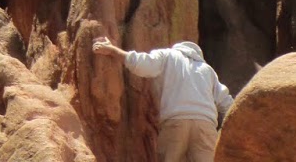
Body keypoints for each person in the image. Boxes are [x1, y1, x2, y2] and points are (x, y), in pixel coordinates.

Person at [92, 35, 233, 162]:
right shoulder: (207, 70)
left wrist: (112, 50)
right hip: (205, 125)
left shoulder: (168, 55)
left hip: (176, 121)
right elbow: (227, 102)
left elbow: (142, 63)